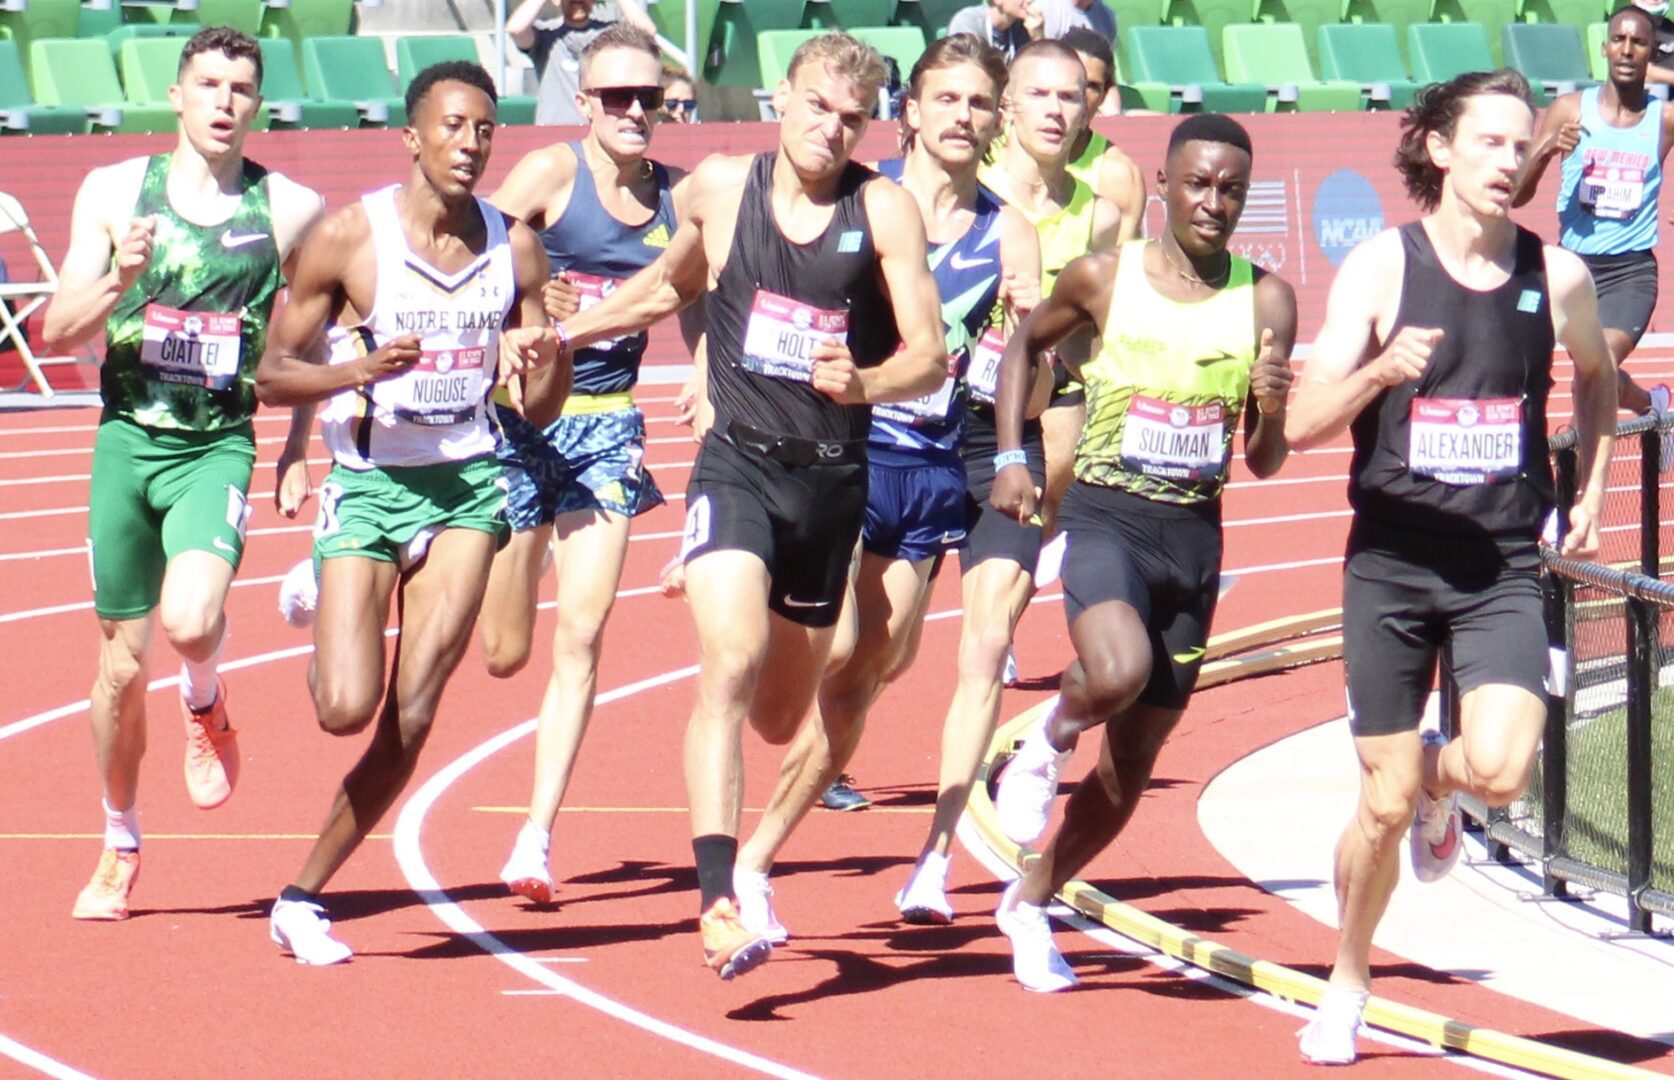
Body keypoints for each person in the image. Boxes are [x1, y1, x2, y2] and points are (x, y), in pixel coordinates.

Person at [506, 31, 948, 979]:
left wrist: (863, 380)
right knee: (730, 664)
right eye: (818, 107)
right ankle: (718, 904)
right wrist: (564, 333)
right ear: (780, 99)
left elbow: (929, 356)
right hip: (736, 463)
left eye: (853, 118)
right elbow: (666, 286)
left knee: (782, 716)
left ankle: (732, 614)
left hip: (830, 484)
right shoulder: (716, 188)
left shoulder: (885, 210)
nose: (832, 129)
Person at [1285, 70, 1615, 1063]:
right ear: (1438, 149)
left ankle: (1440, 782)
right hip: (1390, 564)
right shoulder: (1384, 268)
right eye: (1491, 142)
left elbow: (1596, 377)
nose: (1512, 161)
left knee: (1504, 772)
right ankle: (1346, 979)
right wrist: (1382, 371)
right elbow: (1299, 425)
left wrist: (1591, 488)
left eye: (1523, 145)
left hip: (1499, 563)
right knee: (1377, 808)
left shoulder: (1555, 277)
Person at [722, 33, 1043, 937]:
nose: (963, 118)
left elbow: (1025, 373)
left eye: (980, 105)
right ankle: (758, 648)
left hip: (933, 463)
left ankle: (756, 860)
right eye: (946, 99)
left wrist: (1031, 340)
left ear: (996, 121)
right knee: (833, 647)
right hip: (842, 453)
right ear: (911, 111)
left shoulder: (1006, 229)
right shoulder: (865, 201)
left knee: (865, 678)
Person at [253, 61, 562, 965]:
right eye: (454, 127)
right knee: (343, 709)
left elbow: (540, 406)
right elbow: (272, 375)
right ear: (412, 137)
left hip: (467, 483)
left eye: (485, 130)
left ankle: (302, 898)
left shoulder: (518, 248)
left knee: (413, 713)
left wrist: (545, 353)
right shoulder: (351, 239)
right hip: (369, 485)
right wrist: (359, 371)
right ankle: (323, 573)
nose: (471, 145)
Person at [988, 113, 1297, 993]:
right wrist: (1013, 454)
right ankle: (1043, 744)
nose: (1213, 202)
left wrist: (1272, 408)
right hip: (1109, 516)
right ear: (1163, 185)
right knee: (1114, 669)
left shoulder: (1266, 300)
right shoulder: (1102, 278)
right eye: (1198, 183)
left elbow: (1266, 461)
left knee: (1129, 767)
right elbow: (1023, 347)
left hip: (1194, 535)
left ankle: (1031, 900)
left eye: (1231, 188)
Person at [41, 26, 324, 922]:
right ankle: (120, 842)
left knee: (193, 619)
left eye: (242, 87)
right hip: (127, 441)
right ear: (177, 93)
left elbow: (306, 343)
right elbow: (56, 331)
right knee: (120, 671)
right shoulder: (115, 191)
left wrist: (294, 446)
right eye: (208, 83)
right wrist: (122, 279)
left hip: (216, 444)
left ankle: (205, 698)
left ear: (258, 104)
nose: (224, 101)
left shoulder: (290, 209)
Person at [477, 25, 685, 905]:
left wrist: (709, 384)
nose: (636, 112)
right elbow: (466, 254)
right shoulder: (550, 174)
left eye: (650, 98)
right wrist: (529, 295)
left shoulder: (678, 202)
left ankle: (535, 837)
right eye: (617, 98)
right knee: (501, 650)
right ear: (584, 103)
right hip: (519, 421)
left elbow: (699, 300)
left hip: (607, 428)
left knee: (586, 631)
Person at [1512, 4, 1674, 442]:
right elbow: (1516, 196)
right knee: (1592, 371)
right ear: (1603, 48)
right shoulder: (1569, 109)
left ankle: (1573, 486)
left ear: (1651, 53)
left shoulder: (1664, 120)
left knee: (1593, 368)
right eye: (1618, 40)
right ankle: (1651, 404)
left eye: (1638, 42)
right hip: (1572, 270)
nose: (1626, 50)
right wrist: (1546, 151)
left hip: (1630, 274)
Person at [509, 0, 658, 126]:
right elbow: (515, 29)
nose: (578, 2)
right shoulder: (545, 34)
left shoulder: (611, 33)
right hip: (554, 129)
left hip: (600, 129)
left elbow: (646, 32)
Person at [947, 0, 1116, 61]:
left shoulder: (1024, 28)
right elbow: (968, 69)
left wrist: (1038, 37)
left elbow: (1043, 74)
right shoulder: (969, 21)